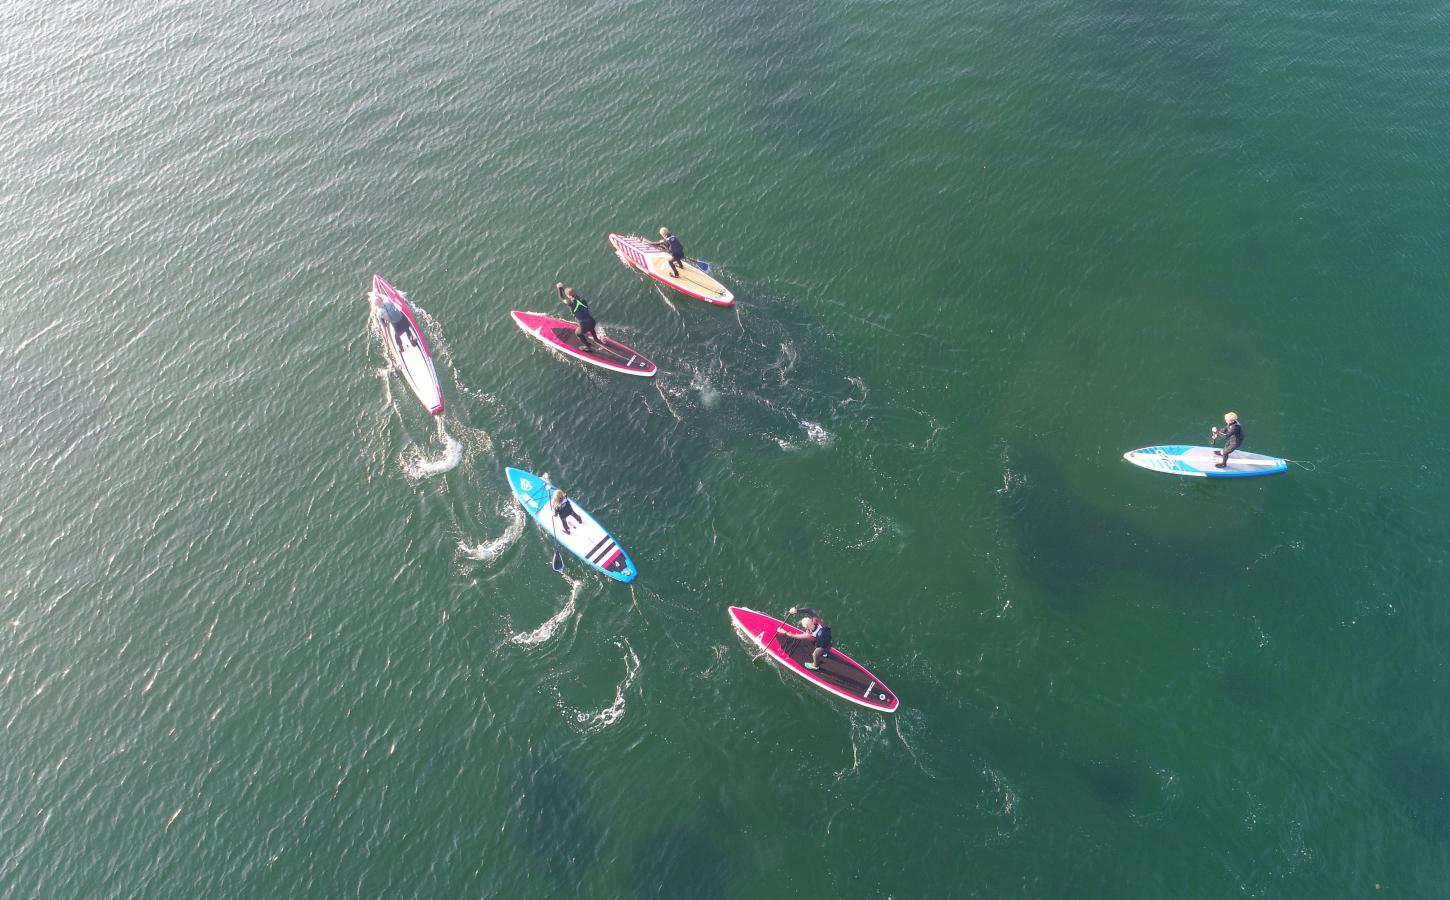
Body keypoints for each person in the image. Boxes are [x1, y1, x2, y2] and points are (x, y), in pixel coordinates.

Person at [777, 606, 831, 670]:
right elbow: (809, 610)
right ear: (811, 620)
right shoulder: (818, 620)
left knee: (815, 654)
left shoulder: (808, 635)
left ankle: (815, 666)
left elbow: (795, 636)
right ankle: (825, 653)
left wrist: (784, 632)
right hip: (829, 639)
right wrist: (796, 610)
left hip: (822, 646)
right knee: (826, 645)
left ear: (806, 628)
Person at [555, 283, 599, 350]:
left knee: (578, 333)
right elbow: (571, 296)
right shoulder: (582, 300)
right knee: (591, 328)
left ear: (568, 296)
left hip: (584, 325)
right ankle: (596, 339)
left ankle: (588, 347)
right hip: (592, 321)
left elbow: (561, 299)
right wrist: (563, 289)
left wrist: (559, 288)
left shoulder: (570, 303)